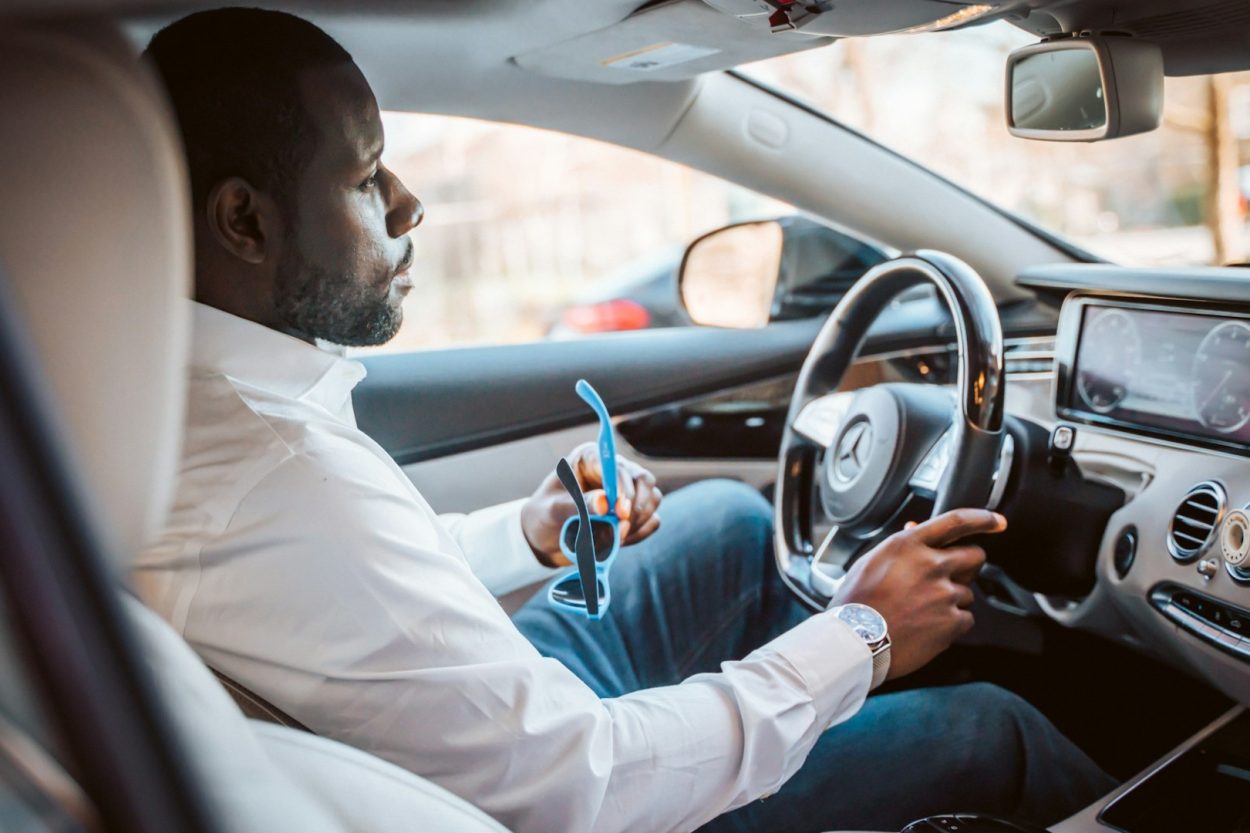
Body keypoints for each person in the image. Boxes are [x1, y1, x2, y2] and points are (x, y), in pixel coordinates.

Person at [135, 9, 1115, 833]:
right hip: (565, 796)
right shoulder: (272, 472)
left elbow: (346, 595)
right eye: (364, 177)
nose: (409, 204)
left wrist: (528, 532)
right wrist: (862, 633)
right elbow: (584, 785)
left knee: (730, 521)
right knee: (988, 731)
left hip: (466, 742)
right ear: (244, 221)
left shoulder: (176, 408)